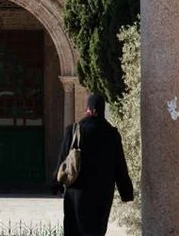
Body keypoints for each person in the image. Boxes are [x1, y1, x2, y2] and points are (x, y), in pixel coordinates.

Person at [53, 93, 134, 236]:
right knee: (96, 230)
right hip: (102, 194)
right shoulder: (112, 133)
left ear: (89, 109)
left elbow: (62, 161)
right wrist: (126, 192)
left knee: (74, 230)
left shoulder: (73, 130)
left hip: (76, 193)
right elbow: (120, 166)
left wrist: (56, 185)